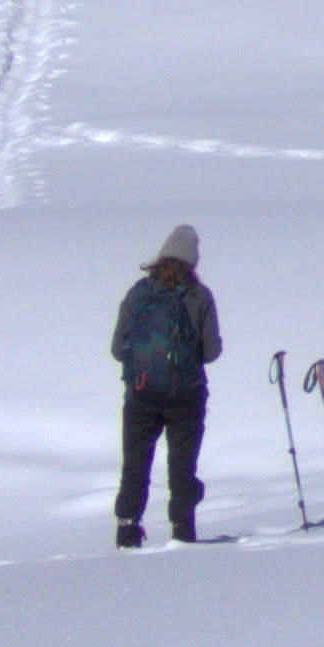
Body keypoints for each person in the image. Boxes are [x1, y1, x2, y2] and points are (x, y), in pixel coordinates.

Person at [111, 223, 222, 547]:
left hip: (141, 395)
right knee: (182, 467)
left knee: (135, 465)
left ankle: (128, 531)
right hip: (186, 396)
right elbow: (211, 351)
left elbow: (118, 349)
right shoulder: (200, 297)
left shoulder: (139, 293)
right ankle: (182, 532)